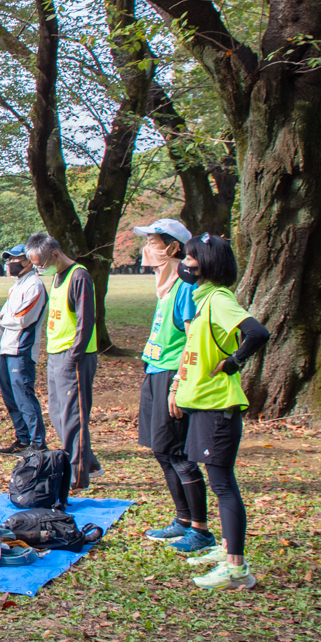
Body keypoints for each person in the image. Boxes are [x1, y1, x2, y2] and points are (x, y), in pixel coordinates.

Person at [169, 233, 271, 590]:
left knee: (224, 486)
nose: (185, 261)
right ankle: (227, 549)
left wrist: (234, 362)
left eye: (191, 256)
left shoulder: (219, 299)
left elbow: (257, 333)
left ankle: (236, 569)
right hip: (202, 405)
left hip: (219, 408)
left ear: (207, 263)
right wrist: (178, 386)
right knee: (218, 483)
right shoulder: (204, 299)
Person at [130, 219, 213, 553]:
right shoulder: (166, 287)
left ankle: (201, 529)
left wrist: (179, 383)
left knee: (177, 453)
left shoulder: (186, 289)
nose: (146, 249)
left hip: (171, 376)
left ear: (173, 248)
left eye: (152, 242)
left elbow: (193, 339)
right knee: (160, 450)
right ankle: (182, 520)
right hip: (154, 371)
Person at [28, 232, 102, 490]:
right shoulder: (57, 276)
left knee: (73, 417)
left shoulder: (78, 276)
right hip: (56, 354)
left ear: (56, 254)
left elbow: (86, 320)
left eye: (41, 263)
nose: (39, 269)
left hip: (74, 357)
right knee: (59, 414)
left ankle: (77, 477)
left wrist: (75, 355)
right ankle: (89, 461)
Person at [0, 243, 47, 455]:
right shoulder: (16, 287)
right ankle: (22, 439)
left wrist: (2, 320)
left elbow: (22, 319)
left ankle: (38, 444)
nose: (11, 263)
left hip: (22, 351)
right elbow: (1, 317)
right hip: (6, 350)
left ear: (29, 261)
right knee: (10, 398)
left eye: (15, 259)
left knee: (24, 397)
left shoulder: (35, 286)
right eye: (9, 260)